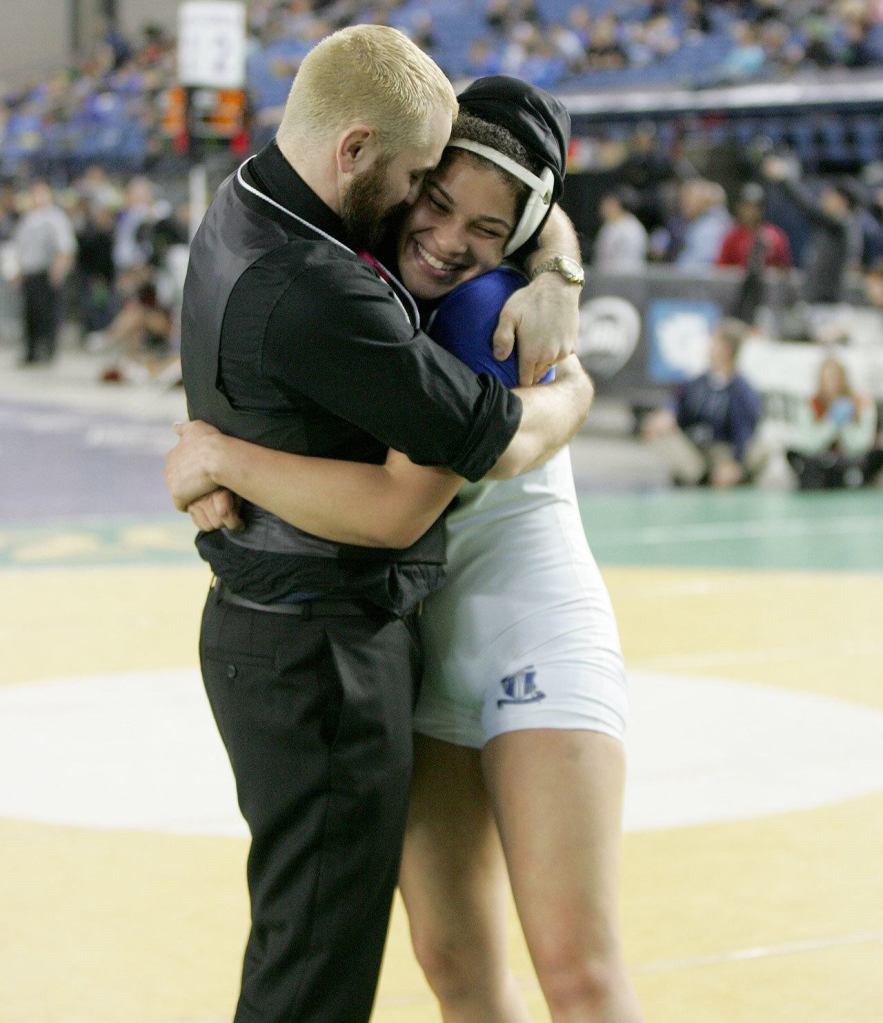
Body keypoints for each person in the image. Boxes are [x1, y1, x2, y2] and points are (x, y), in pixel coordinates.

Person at [166, 74, 643, 1023]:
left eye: (486, 226)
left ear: (517, 231)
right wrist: (562, 262)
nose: (449, 237)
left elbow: (409, 503)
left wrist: (223, 456)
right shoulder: (361, 245)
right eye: (436, 197)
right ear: (406, 174)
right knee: (451, 958)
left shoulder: (489, 311)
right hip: (414, 635)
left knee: (575, 970)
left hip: (528, 626)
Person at [641, 317, 762, 488]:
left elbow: (745, 432)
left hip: (722, 452)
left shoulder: (741, 391)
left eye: (714, 342)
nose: (709, 346)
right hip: (696, 449)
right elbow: (678, 402)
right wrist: (667, 415)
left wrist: (735, 463)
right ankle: (695, 475)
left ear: (726, 350)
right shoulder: (699, 382)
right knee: (658, 431)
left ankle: (732, 474)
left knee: (762, 446)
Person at [786, 354, 882, 489]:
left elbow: (862, 444)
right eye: (828, 379)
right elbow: (807, 445)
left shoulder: (860, 403)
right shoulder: (810, 404)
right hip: (820, 462)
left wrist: (846, 423)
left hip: (852, 461)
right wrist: (831, 422)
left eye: (836, 379)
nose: (832, 384)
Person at [11, 181, 76, 364]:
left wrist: (58, 271)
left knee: (47, 314)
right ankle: (30, 352)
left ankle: (47, 351)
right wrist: (16, 271)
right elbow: (18, 248)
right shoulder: (27, 219)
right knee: (30, 315)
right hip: (29, 272)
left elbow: (64, 247)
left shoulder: (55, 218)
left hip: (45, 272)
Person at [593, 186, 648, 273]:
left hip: (625, 279)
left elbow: (629, 263)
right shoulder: (609, 226)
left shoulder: (632, 227)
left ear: (616, 204)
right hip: (606, 279)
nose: (602, 208)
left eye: (606, 204)